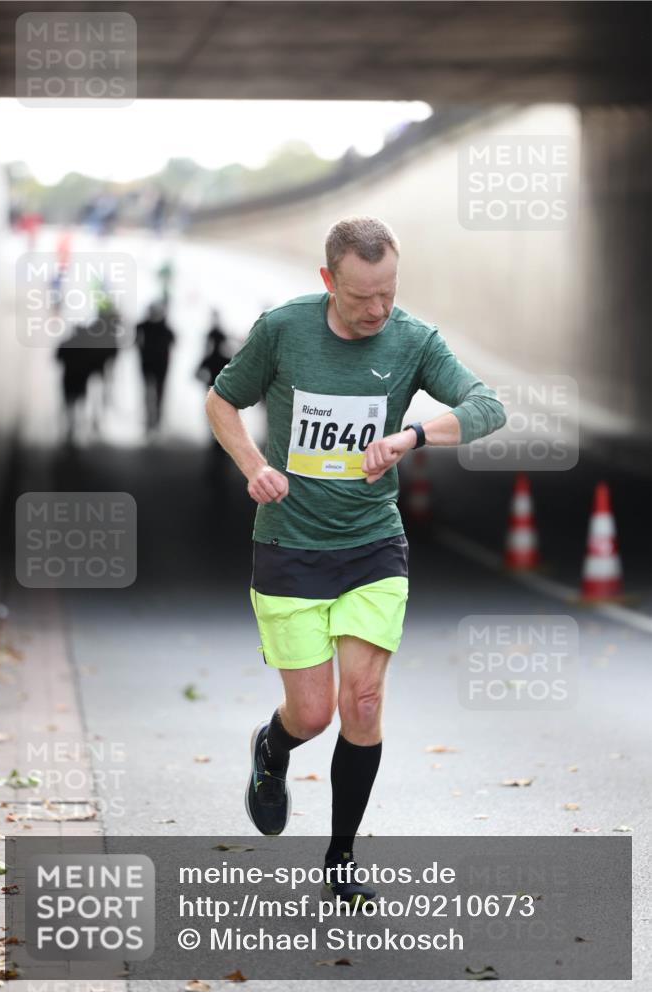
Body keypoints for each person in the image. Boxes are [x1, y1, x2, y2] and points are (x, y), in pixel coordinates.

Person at [205, 216, 506, 908]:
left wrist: (411, 434)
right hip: (288, 544)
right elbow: (222, 400)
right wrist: (253, 465)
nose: (377, 310)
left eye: (387, 293)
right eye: (360, 296)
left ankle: (339, 858)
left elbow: (488, 407)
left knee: (362, 704)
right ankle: (271, 751)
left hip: (372, 544)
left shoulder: (412, 340)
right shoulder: (283, 330)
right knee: (310, 714)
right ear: (327, 283)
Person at [136, 302, 176, 433]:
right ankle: (152, 421)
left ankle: (155, 421)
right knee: (151, 393)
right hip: (151, 365)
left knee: (156, 393)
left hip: (157, 365)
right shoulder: (145, 327)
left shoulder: (158, 328)